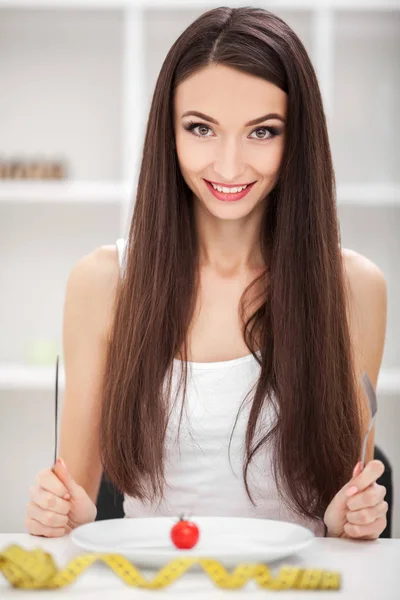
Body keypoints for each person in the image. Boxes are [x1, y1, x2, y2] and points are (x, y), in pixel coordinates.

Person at [26, 6, 388, 540]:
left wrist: (349, 518)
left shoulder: (353, 288)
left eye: (262, 132)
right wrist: (59, 512)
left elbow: (343, 493)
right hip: (149, 582)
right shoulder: (104, 283)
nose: (228, 165)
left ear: (298, 141)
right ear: (168, 133)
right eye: (201, 128)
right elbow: (76, 499)